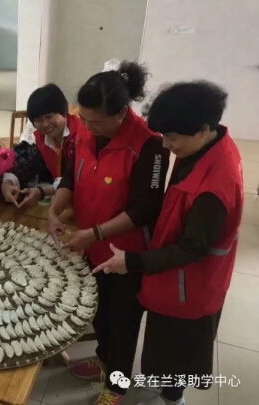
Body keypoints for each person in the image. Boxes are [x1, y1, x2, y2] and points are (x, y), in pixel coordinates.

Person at [93, 81, 241, 405]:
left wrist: (132, 261)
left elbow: (193, 248)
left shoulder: (215, 185)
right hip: (173, 275)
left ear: (203, 129)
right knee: (163, 345)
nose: (166, 145)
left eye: (172, 138)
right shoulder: (205, 147)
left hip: (192, 282)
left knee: (179, 351)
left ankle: (173, 399)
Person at [48, 61, 170, 405]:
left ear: (121, 114)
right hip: (91, 246)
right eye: (83, 119)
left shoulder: (150, 145)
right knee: (98, 313)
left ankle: (117, 385)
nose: (87, 127)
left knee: (123, 323)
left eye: (96, 121)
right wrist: (54, 211)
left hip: (124, 255)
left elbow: (144, 209)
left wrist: (95, 233)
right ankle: (103, 359)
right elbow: (71, 177)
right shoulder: (87, 131)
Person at [1, 84, 80, 208]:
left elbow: (75, 179)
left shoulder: (81, 136)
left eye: (49, 116)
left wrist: (42, 192)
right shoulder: (43, 139)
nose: (45, 124)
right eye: (38, 119)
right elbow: (29, 164)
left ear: (64, 112)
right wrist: (7, 183)